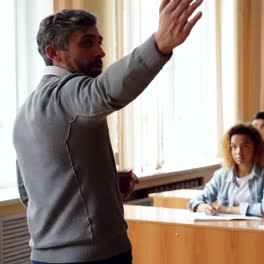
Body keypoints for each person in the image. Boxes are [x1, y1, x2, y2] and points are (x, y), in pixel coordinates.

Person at [13, 2, 202, 263]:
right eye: (87, 43)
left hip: (44, 257)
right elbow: (106, 91)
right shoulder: (68, 94)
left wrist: (102, 184)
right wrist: (160, 44)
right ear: (53, 52)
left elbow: (31, 192)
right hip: (94, 256)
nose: (100, 51)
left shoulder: (25, 112)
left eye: (99, 42)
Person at [188, 123, 264, 217]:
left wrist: (228, 209)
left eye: (245, 146)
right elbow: (194, 201)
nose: (238, 152)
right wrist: (204, 208)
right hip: (229, 228)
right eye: (234, 147)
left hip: (258, 228)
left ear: (256, 147)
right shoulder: (222, 174)